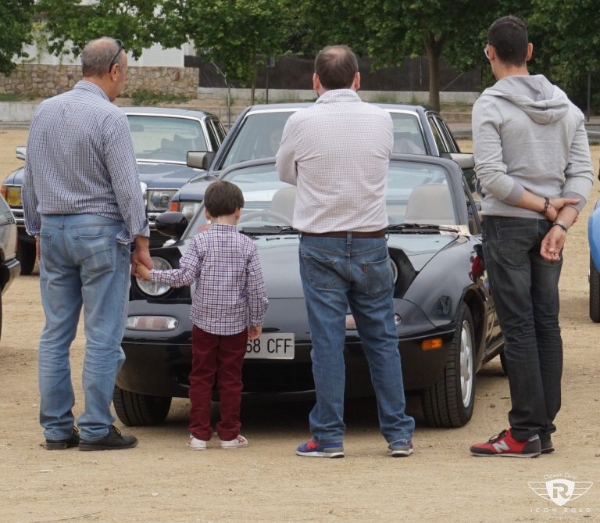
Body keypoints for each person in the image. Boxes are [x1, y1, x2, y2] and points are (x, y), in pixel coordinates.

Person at [276, 45, 415, 458]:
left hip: (320, 240)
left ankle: (329, 435)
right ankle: (398, 433)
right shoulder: (382, 119)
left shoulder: (301, 120)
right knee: (382, 339)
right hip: (371, 239)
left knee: (327, 341)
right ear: (357, 80)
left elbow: (284, 172)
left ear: (315, 81)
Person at [469, 16, 594, 457]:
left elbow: (491, 177)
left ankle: (524, 431)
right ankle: (542, 428)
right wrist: (560, 222)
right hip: (550, 228)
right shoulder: (567, 108)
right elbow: (582, 175)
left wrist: (544, 208)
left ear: (490, 53)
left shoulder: (490, 105)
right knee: (546, 324)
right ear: (529, 51)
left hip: (509, 223)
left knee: (519, 326)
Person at [22, 37, 152, 451]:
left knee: (55, 334)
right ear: (113, 70)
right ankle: (96, 426)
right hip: (99, 233)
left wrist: (37, 230)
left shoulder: (44, 111)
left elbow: (30, 179)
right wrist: (141, 240)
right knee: (103, 335)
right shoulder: (110, 117)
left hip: (53, 230)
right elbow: (127, 187)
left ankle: (57, 429)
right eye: (125, 72)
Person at [136, 180, 268, 450]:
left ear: (206, 212)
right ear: (239, 211)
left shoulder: (199, 242)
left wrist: (152, 275)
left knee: (201, 376)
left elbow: (184, 276)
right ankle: (229, 434)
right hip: (235, 325)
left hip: (204, 323)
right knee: (231, 378)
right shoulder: (247, 246)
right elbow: (256, 290)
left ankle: (198, 434)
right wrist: (255, 320)